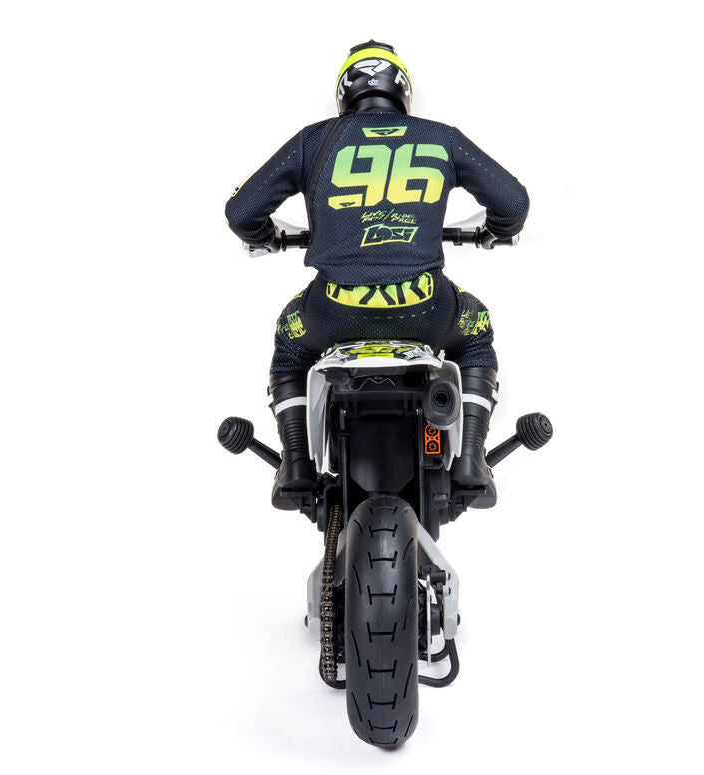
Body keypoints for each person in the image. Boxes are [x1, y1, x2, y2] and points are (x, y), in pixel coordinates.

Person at [225, 41, 529, 509]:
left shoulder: (314, 140)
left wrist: (266, 236)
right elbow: (513, 203)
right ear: (402, 90)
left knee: (290, 343)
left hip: (333, 311)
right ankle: (470, 457)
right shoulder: (439, 138)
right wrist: (494, 231)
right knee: (475, 331)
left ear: (344, 93)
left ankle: (297, 463)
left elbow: (241, 212)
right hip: (425, 308)